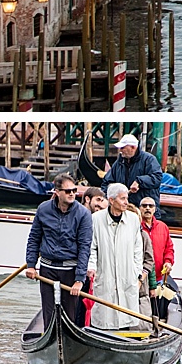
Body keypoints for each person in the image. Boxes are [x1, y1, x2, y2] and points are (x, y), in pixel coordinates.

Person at [25, 173, 91, 329]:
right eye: (67, 191)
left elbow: (84, 247)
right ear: (56, 192)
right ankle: (49, 336)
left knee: (70, 313)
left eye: (74, 190)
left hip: (70, 269)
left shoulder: (83, 214)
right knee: (47, 311)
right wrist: (31, 265)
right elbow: (34, 238)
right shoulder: (43, 209)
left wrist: (79, 279)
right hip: (47, 268)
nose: (72, 194)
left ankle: (68, 338)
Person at [86, 184, 144, 331]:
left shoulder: (133, 220)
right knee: (104, 315)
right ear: (111, 200)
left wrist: (137, 271)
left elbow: (138, 249)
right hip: (104, 273)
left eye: (127, 198)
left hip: (127, 274)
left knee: (126, 316)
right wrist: (91, 267)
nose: (126, 202)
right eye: (123, 198)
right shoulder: (96, 219)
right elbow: (91, 247)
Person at [138, 197, 176, 319]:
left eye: (150, 206)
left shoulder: (163, 227)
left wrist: (168, 262)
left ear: (155, 209)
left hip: (159, 277)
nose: (147, 208)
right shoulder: (136, 226)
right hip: (140, 277)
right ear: (140, 209)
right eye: (144, 206)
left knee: (156, 308)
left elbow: (169, 248)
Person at [104, 133, 163, 208]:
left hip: (144, 208)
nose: (120, 150)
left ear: (133, 147)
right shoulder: (119, 162)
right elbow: (107, 182)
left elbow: (157, 178)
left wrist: (139, 181)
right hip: (123, 208)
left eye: (123, 147)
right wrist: (107, 197)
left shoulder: (149, 159)